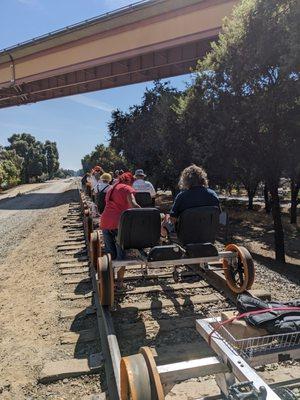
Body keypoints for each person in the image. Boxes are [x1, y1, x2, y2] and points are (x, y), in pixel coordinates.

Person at [162, 165, 220, 238]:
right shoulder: (213, 195)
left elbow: (173, 220)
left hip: (186, 238)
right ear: (202, 179)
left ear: (185, 180)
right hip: (208, 236)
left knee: (166, 222)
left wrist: (166, 221)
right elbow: (217, 215)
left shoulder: (182, 196)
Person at [100, 172, 140, 261]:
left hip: (105, 222)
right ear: (129, 181)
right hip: (118, 223)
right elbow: (134, 205)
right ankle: (119, 273)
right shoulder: (127, 188)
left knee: (110, 254)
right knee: (121, 255)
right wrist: (145, 213)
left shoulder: (111, 188)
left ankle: (110, 273)